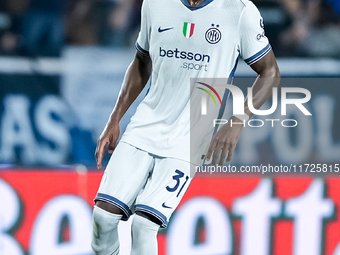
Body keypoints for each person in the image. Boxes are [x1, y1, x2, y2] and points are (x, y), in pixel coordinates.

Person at [91, 0, 280, 254]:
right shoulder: (155, 4)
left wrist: (236, 121)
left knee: (144, 226)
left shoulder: (240, 11)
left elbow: (269, 72)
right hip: (144, 125)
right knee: (103, 218)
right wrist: (115, 117)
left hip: (189, 139)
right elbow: (141, 60)